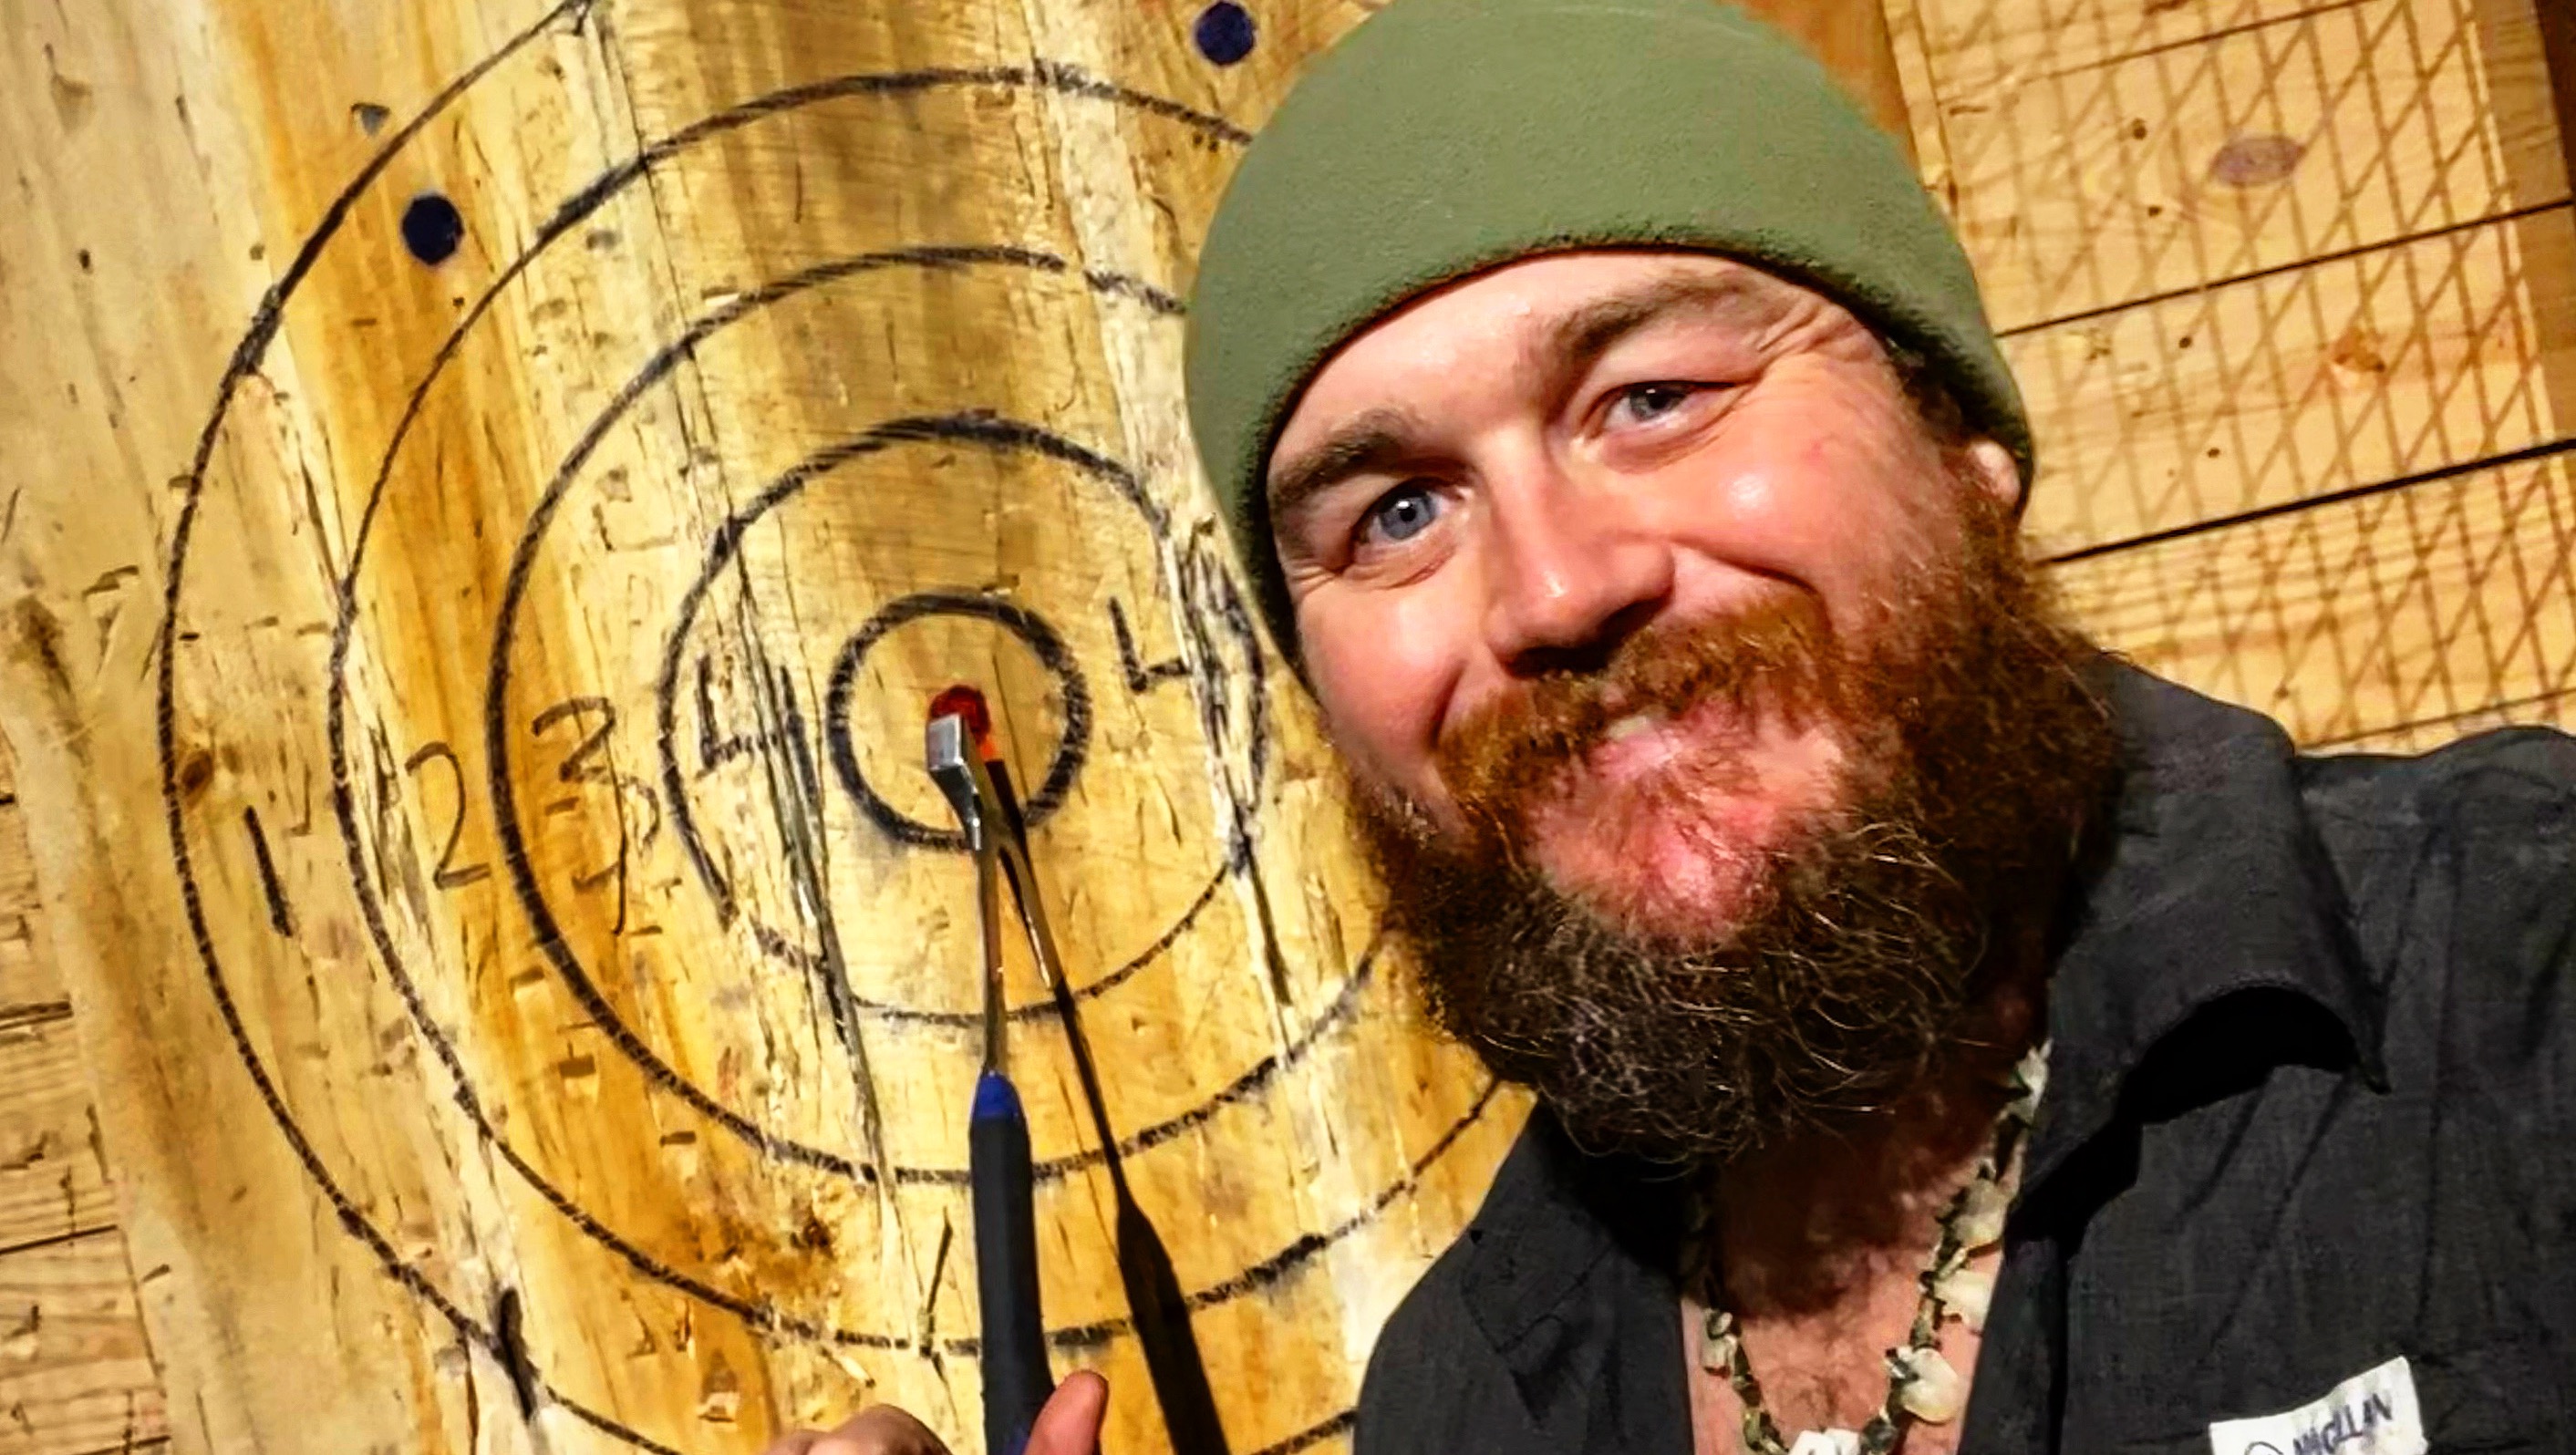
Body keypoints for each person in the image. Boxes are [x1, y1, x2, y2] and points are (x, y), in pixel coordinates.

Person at [773, 1, 2576, 1451]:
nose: (1556, 590)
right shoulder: (1472, 1394)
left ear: (1960, 437)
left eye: (1649, 397)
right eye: (1397, 512)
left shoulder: (2518, 982)